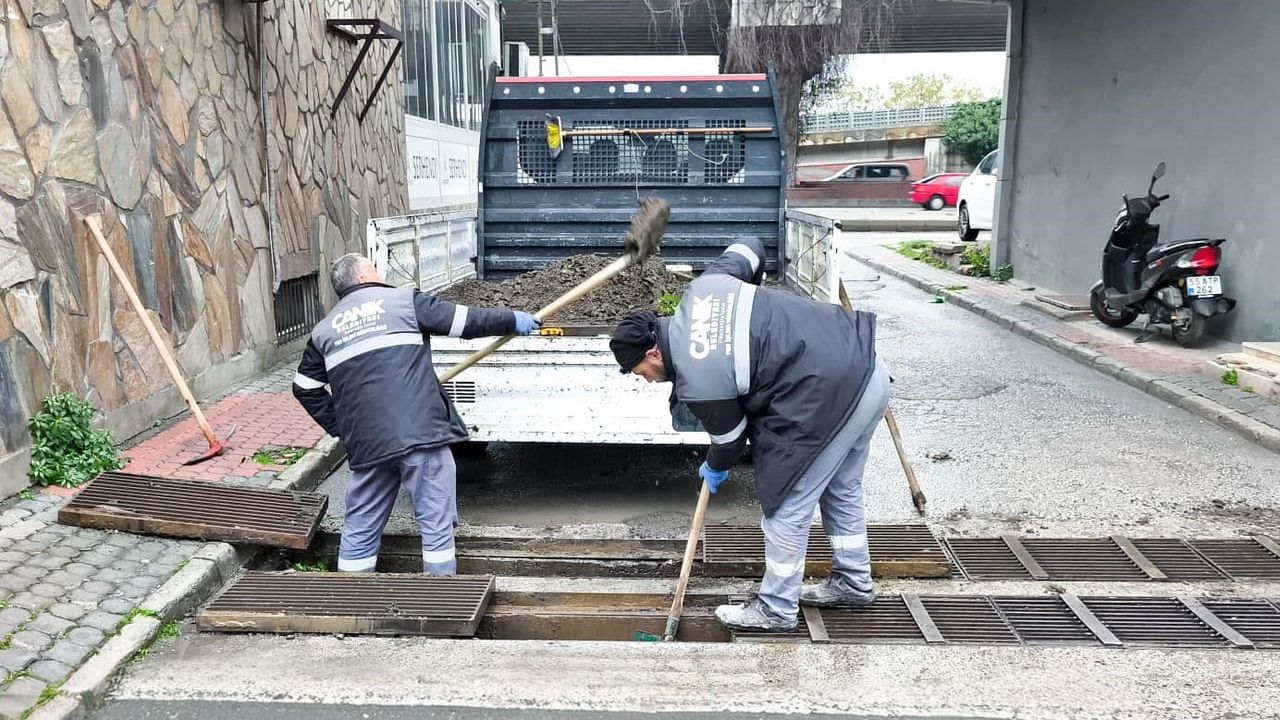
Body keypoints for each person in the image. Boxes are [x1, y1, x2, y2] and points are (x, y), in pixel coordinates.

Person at [609, 238, 889, 632]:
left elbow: (731, 438)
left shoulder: (697, 378)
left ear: (654, 353)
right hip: (867, 368)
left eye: (641, 372)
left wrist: (714, 468)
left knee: (786, 504)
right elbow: (750, 247)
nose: (647, 380)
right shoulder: (706, 287)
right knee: (840, 487)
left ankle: (775, 609)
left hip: (826, 394)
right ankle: (852, 583)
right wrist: (749, 299)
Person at [293, 253, 540, 575]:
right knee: (435, 522)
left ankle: (351, 596)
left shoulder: (324, 331)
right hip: (421, 435)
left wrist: (343, 428)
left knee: (361, 525)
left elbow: (304, 388)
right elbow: (466, 322)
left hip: (368, 444)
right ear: (365, 277)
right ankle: (440, 600)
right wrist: (511, 320)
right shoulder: (403, 301)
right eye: (374, 267)